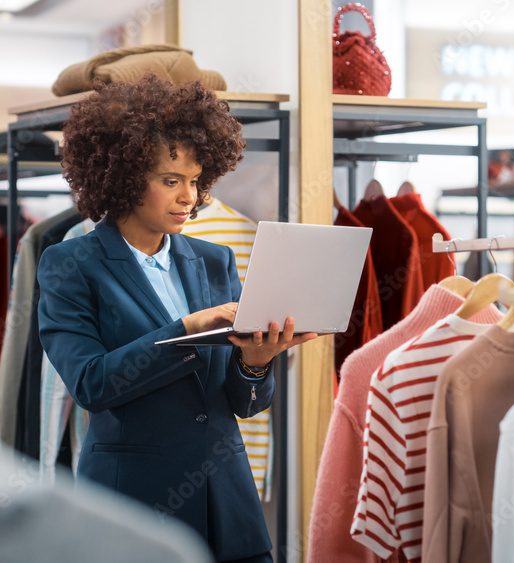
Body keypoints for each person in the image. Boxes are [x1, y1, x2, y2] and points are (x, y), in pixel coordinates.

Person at [36, 74, 316, 562]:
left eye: (194, 180)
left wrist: (256, 362)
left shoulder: (214, 259)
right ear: (123, 177)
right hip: (134, 507)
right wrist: (185, 329)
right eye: (171, 181)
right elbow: (91, 384)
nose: (189, 197)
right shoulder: (70, 264)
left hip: (228, 503)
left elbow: (243, 404)